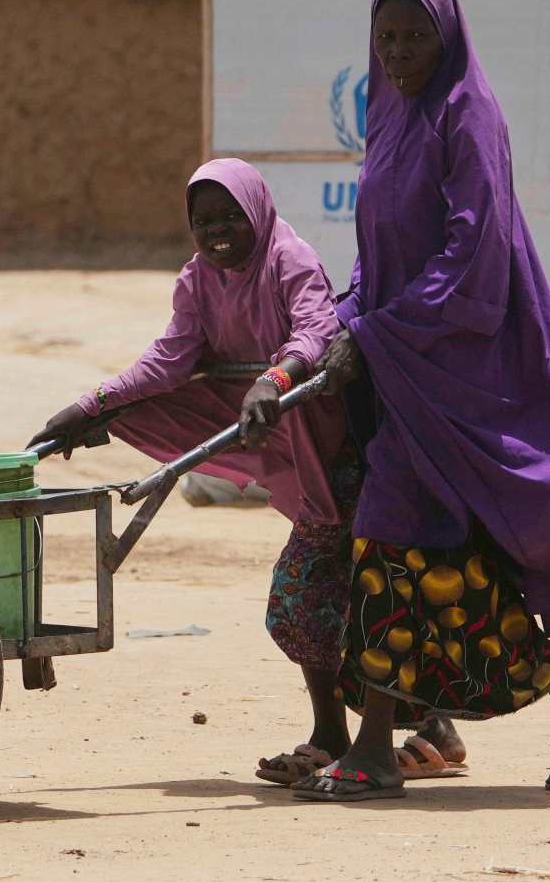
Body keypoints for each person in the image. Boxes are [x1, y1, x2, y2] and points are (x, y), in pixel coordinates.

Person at [297, 0, 550, 803]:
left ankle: (378, 750)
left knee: (388, 535)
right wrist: (344, 322)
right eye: (387, 39)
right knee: (437, 557)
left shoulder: (468, 115)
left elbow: (474, 256)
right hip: (403, 364)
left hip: (463, 364)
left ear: (448, 35)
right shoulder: (389, 118)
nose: (401, 52)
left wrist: (375, 332)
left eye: (417, 36)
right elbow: (380, 245)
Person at [29, 159, 463, 785]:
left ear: (257, 210)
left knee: (309, 600)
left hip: (348, 457)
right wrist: (93, 406)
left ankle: (382, 735)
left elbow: (316, 330)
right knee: (324, 604)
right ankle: (386, 732)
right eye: (203, 222)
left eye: (231, 216)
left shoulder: (291, 260)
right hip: (298, 455)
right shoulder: (198, 280)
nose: (218, 231)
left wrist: (273, 378)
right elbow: (169, 360)